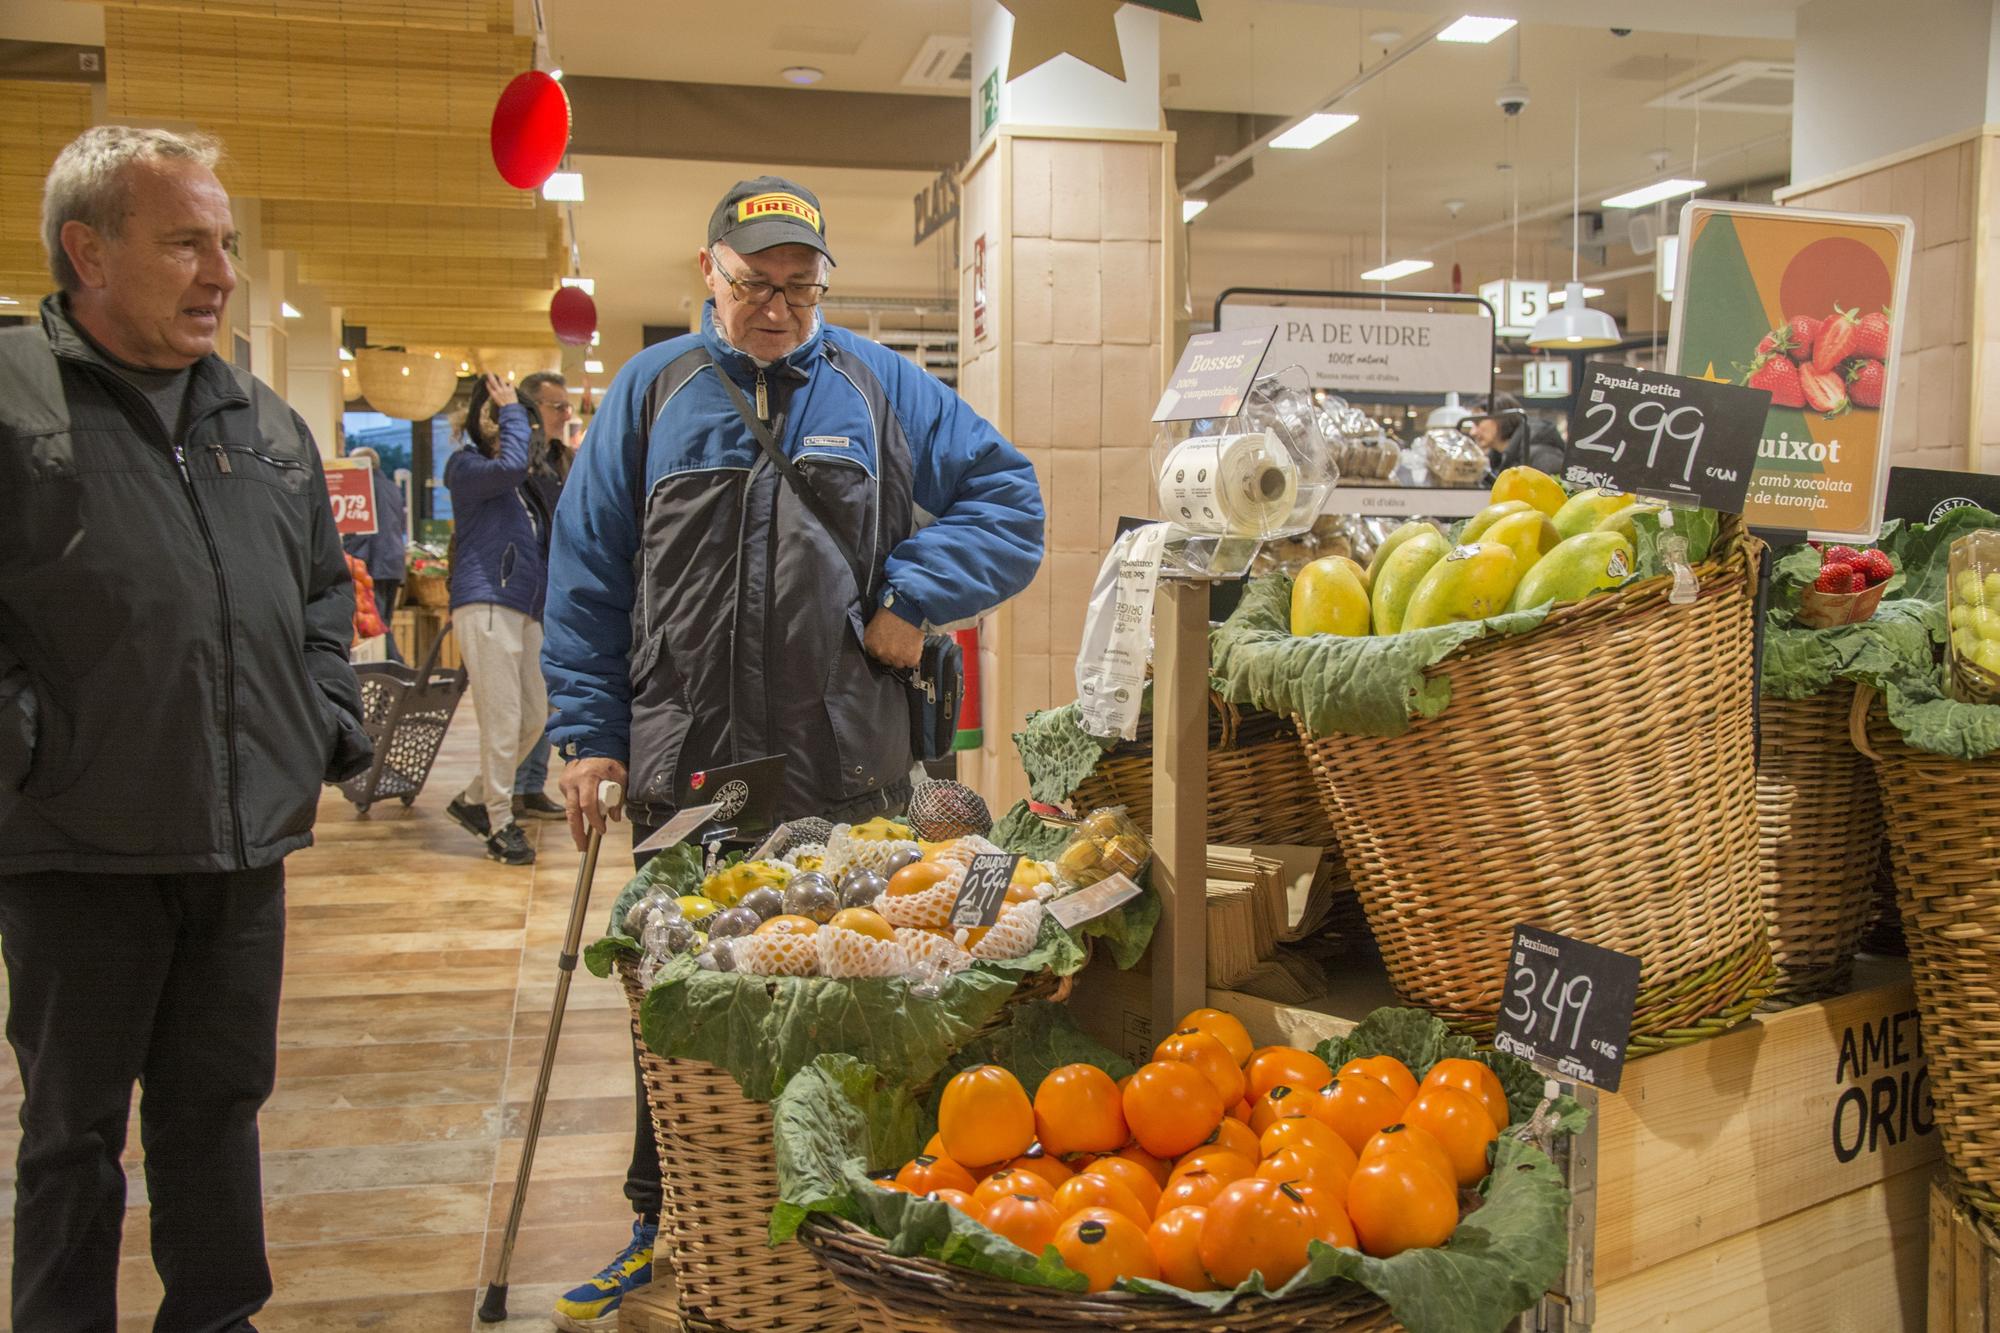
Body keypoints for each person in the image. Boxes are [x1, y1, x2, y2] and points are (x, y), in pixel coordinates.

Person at [539, 175, 1044, 1330]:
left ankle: (840, 1238)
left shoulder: (876, 384)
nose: (777, 307)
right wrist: (585, 734)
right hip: (689, 770)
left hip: (844, 765)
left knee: (845, 999)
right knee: (680, 1006)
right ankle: (661, 1223)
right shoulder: (649, 391)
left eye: (800, 287)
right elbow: (587, 576)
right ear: (705, 273)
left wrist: (917, 590)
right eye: (755, 282)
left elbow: (1010, 501)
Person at [0, 125, 371, 1332]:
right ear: (87, 252)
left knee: (216, 1110)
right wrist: (28, 744)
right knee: (73, 1133)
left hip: (240, 841)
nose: (219, 273)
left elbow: (324, 590)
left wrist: (317, 714)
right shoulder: (13, 402)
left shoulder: (261, 420)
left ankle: (216, 1318)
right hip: (75, 844)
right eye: (185, 244)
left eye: (224, 244)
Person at [442, 372, 555, 865]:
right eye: (516, 422)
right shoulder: (464, 467)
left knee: (535, 715)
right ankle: (500, 822)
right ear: (489, 422)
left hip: (524, 608)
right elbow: (510, 463)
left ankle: (472, 800)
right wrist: (511, 407)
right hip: (486, 601)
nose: (528, 434)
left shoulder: (519, 484)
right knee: (503, 719)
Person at [509, 369, 571, 821]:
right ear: (532, 410)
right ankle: (513, 785)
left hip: (558, 588)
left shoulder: (563, 460)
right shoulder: (517, 461)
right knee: (524, 698)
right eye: (557, 406)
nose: (567, 414)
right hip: (523, 593)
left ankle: (530, 785)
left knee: (549, 696)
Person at [340, 446, 409, 663]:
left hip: (374, 563)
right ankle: (396, 671)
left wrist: (347, 557)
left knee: (377, 626)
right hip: (394, 563)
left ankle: (398, 669)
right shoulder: (392, 488)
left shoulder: (364, 488)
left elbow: (361, 532)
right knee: (385, 620)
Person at [1468, 390, 1566, 479]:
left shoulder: (1543, 456)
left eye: (1478, 422)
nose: (1472, 432)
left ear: (1500, 419)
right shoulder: (1498, 459)